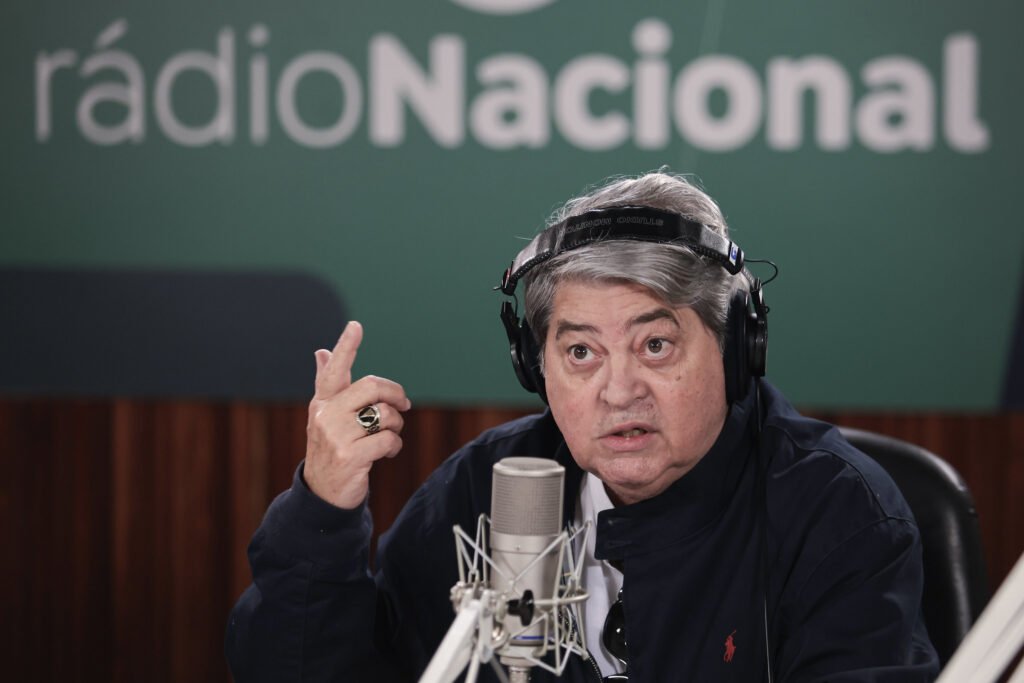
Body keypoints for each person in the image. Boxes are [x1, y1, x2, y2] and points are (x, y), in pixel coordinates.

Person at [225, 171, 939, 682]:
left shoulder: (836, 512)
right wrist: (322, 508)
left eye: (655, 344)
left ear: (732, 349)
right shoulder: (487, 488)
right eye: (580, 353)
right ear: (536, 367)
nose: (618, 390)